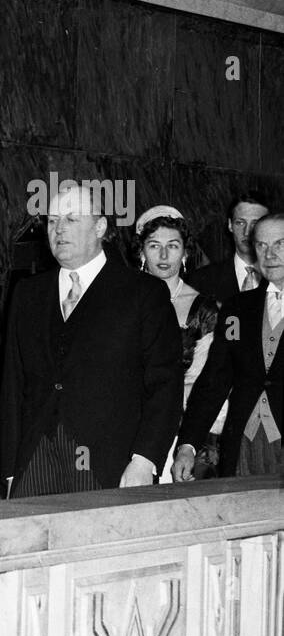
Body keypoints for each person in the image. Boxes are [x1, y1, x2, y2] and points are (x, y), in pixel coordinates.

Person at [0, 183, 182, 497]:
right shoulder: (28, 293)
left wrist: (144, 459)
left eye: (71, 220)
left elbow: (165, 383)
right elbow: (12, 384)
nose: (58, 229)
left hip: (110, 466)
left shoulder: (143, 293)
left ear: (99, 227)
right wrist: (8, 471)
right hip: (35, 463)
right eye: (53, 221)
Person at [173, 212, 284, 480]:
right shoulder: (237, 308)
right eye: (261, 245)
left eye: (280, 244)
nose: (269, 254)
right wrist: (187, 445)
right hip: (243, 448)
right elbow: (214, 380)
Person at [134, 205, 219, 481]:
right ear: (141, 252)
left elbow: (206, 380)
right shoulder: (122, 303)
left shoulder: (202, 308)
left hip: (180, 429)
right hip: (126, 425)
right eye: (153, 245)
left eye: (172, 246)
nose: (162, 255)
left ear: (184, 252)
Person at [187, 194, 269, 304]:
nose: (247, 232)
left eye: (256, 224)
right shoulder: (201, 280)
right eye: (240, 223)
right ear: (230, 225)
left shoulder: (278, 279)